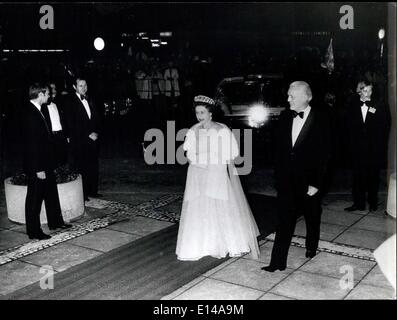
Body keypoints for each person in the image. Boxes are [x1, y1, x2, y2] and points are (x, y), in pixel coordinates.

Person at [176, 95, 260, 261]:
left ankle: (222, 243)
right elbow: (188, 152)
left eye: (202, 112)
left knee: (218, 205)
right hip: (197, 173)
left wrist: (212, 158)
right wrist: (197, 159)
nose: (199, 116)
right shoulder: (193, 130)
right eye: (197, 113)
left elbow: (232, 153)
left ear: (210, 113)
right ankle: (200, 244)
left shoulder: (222, 130)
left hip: (215, 172)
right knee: (200, 207)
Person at [262, 81, 331, 272]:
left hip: (309, 181)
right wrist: (278, 176)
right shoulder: (285, 116)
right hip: (286, 180)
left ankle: (311, 246)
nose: (287, 99)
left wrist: (316, 183)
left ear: (306, 97)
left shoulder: (322, 119)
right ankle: (277, 262)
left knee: (312, 215)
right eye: (288, 95)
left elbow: (325, 155)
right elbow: (278, 150)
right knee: (284, 220)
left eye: (292, 96)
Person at [23, 83, 72, 240]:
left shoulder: (37, 110)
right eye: (47, 94)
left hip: (45, 163)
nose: (49, 96)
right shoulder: (31, 114)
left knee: (46, 193)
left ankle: (54, 222)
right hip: (38, 166)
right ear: (40, 95)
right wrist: (38, 168)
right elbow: (31, 145)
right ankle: (33, 231)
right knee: (35, 198)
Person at [344, 80, 390, 212]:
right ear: (359, 91)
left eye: (370, 90)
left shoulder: (378, 104)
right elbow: (346, 127)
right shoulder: (352, 105)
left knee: (373, 176)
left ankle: (373, 203)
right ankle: (358, 204)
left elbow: (385, 125)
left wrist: (380, 144)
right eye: (365, 91)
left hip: (373, 148)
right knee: (357, 177)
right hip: (357, 148)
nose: (368, 93)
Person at [65, 77, 101, 201]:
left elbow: (96, 118)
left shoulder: (89, 98)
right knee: (82, 167)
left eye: (85, 85)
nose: (84, 88)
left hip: (93, 138)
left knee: (93, 165)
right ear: (75, 87)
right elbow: (72, 123)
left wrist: (96, 132)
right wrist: (87, 134)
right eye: (80, 86)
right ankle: (82, 194)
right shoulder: (70, 102)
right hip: (80, 139)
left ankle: (92, 191)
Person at [41, 82, 69, 167]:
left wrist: (67, 135)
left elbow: (64, 121)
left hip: (61, 136)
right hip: (51, 137)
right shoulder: (42, 106)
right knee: (52, 162)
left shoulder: (58, 104)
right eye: (51, 88)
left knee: (63, 160)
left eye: (55, 88)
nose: (54, 91)